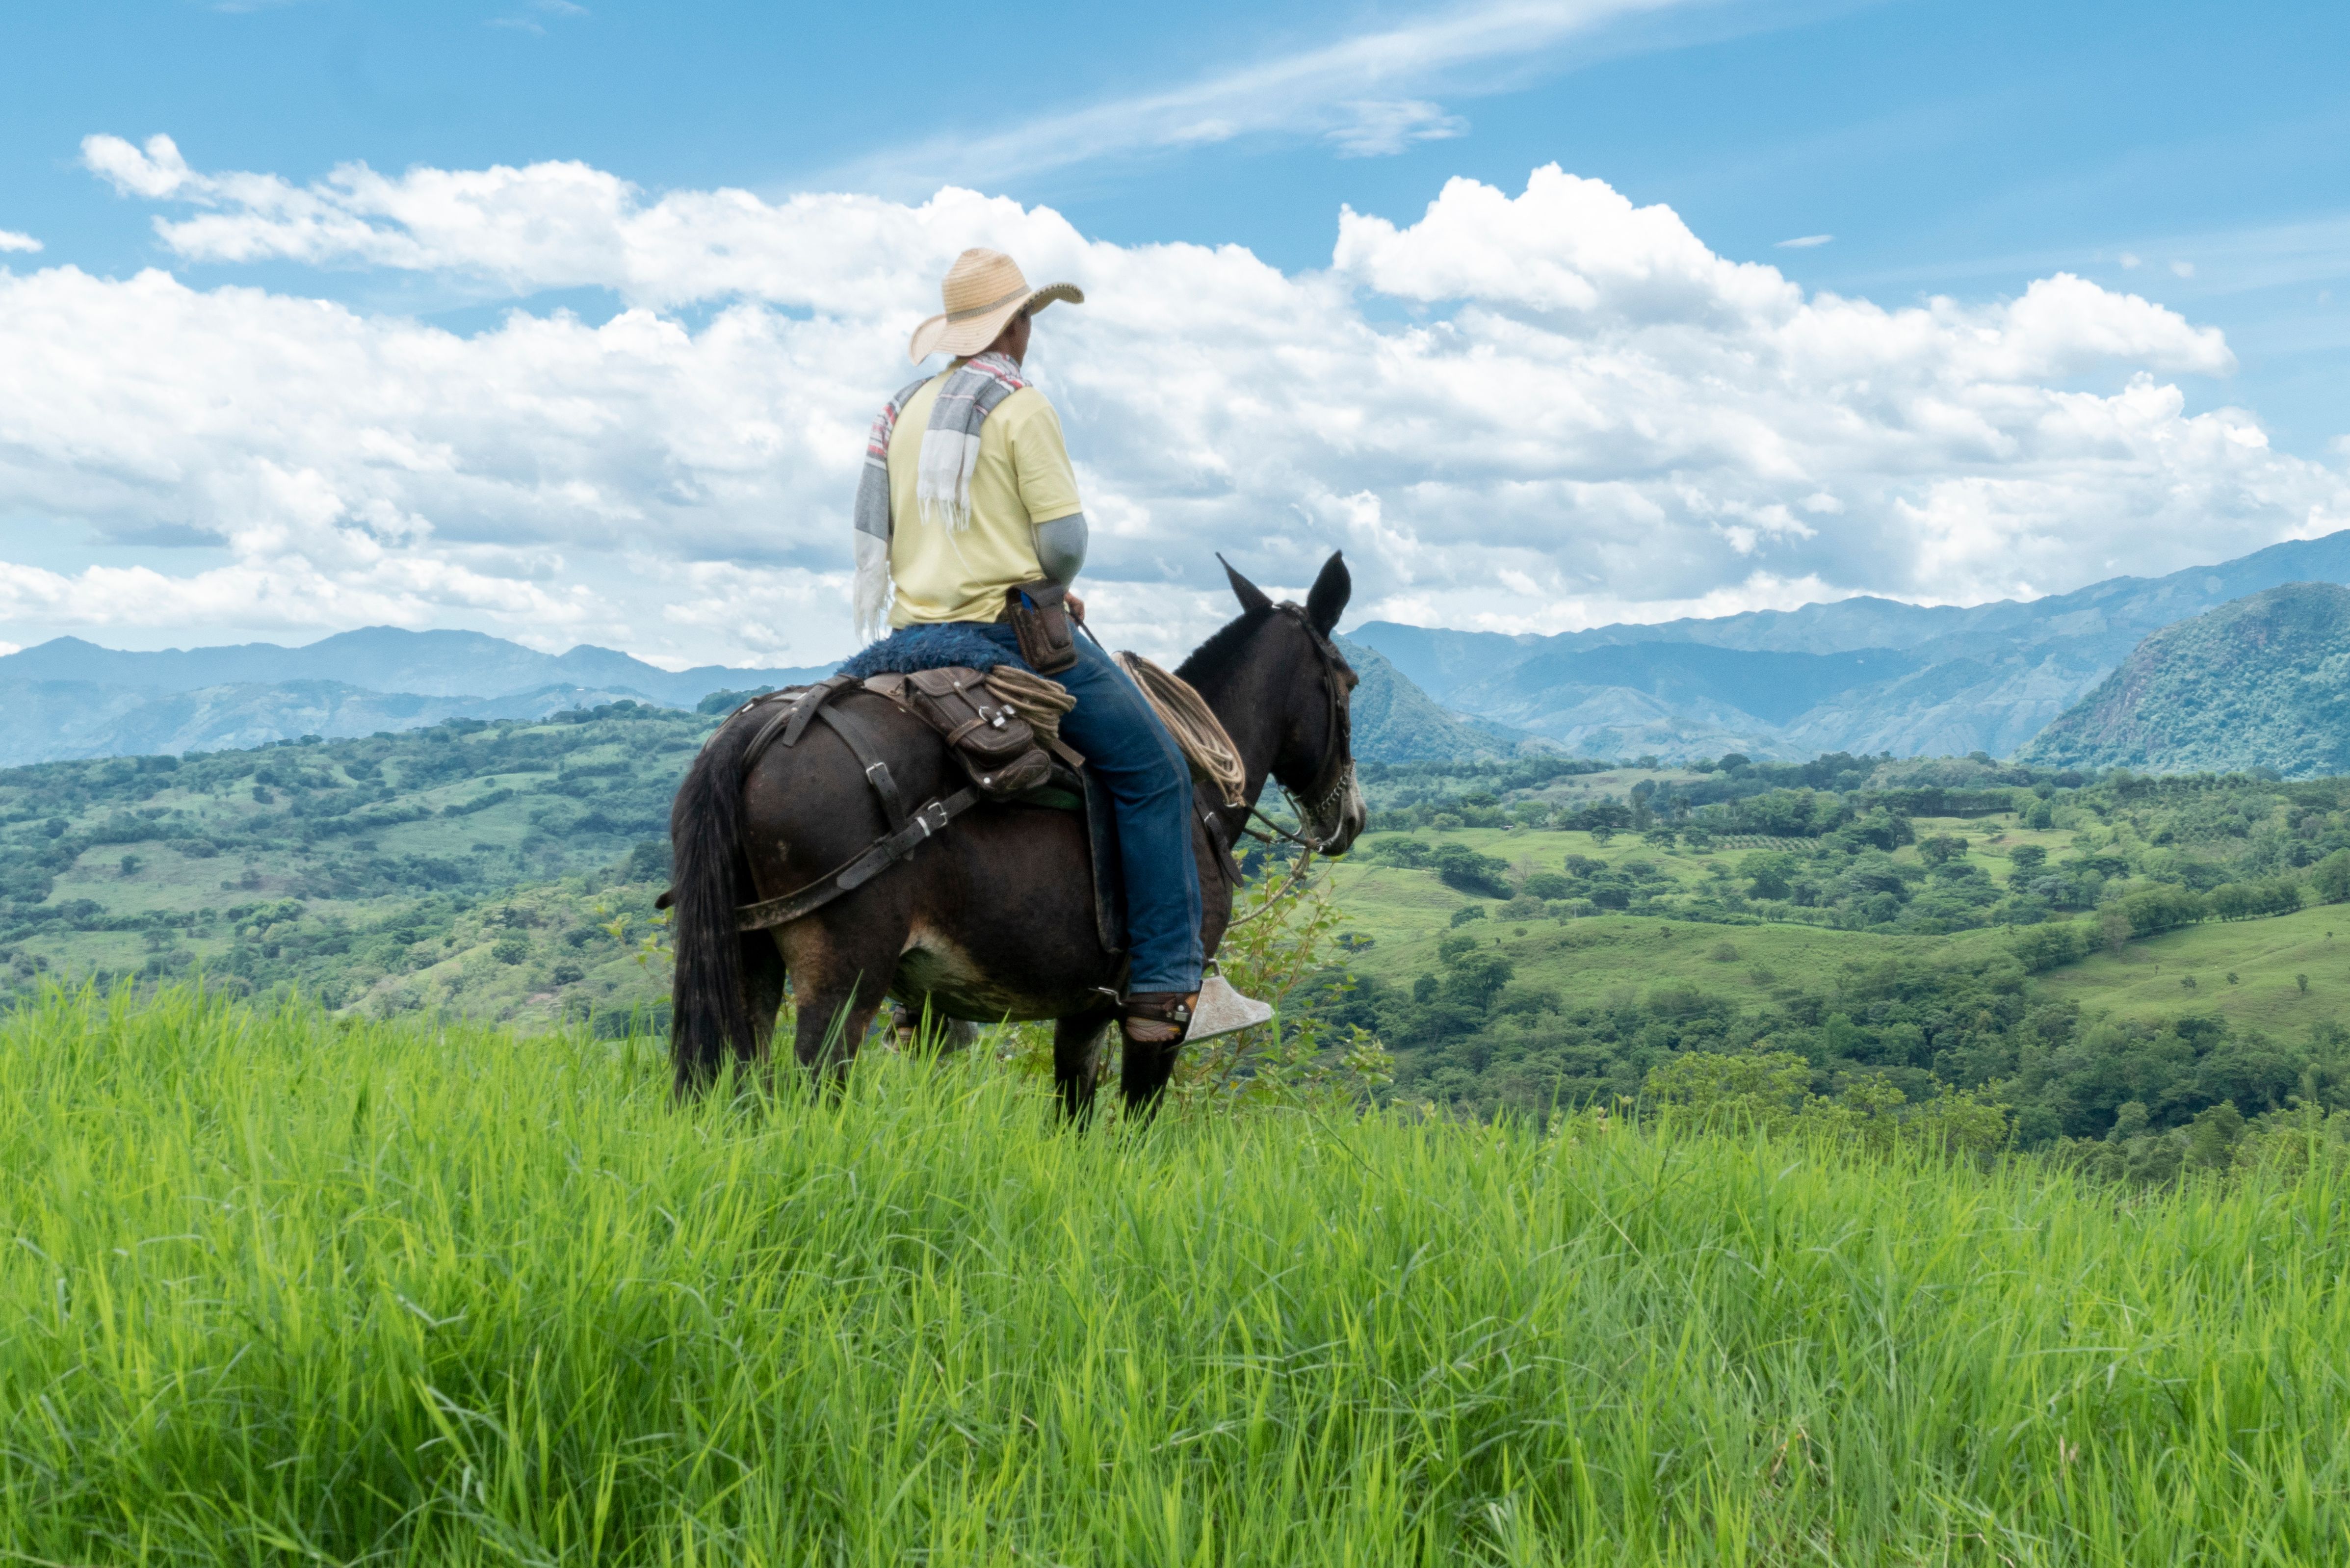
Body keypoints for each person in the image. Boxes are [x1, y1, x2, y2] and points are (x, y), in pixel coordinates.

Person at [851, 248, 1204, 1047]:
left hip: (905, 641)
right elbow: (1064, 545)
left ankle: (917, 1000)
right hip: (999, 637)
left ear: (955, 331)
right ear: (1019, 323)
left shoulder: (903, 410)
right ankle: (1164, 982)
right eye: (1028, 318)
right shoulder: (1017, 404)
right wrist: (1050, 577)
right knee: (1155, 772)